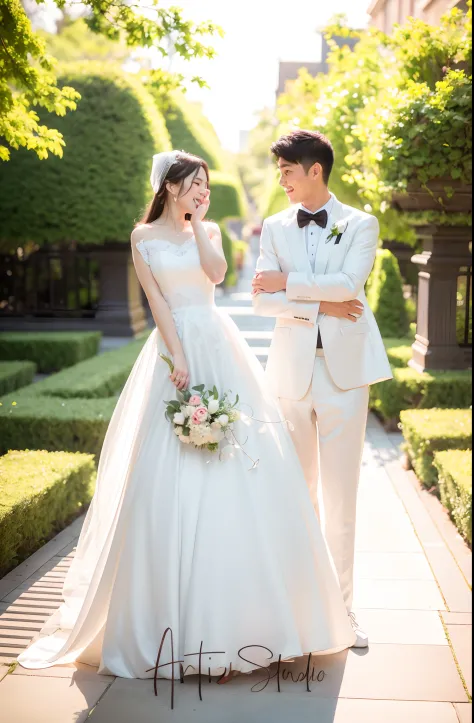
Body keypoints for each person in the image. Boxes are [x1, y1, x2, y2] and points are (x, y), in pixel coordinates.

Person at [18, 149, 358, 682]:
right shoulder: (141, 238)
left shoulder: (211, 229)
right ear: (170, 185)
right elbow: (156, 302)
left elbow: (218, 276)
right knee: (168, 464)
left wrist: (199, 225)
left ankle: (259, 619)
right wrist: (177, 358)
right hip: (173, 347)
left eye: (204, 183)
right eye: (194, 183)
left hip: (219, 343)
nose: (202, 190)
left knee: (242, 457)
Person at [252, 130, 393, 647]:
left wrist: (291, 287)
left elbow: (347, 288)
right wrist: (320, 303)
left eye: (288, 171)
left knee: (341, 498)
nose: (282, 180)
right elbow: (260, 302)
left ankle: (345, 611)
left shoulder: (361, 224)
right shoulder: (272, 226)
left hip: (344, 376)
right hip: (290, 374)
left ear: (315, 170)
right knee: (296, 493)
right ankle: (296, 609)